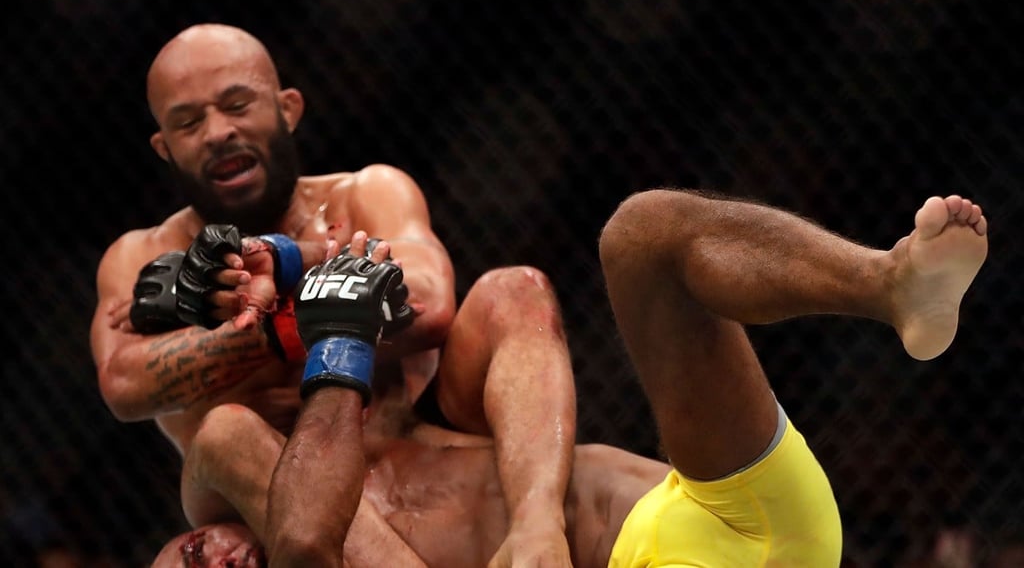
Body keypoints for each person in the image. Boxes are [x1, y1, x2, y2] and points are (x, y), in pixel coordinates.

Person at [151, 190, 988, 567]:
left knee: (643, 236)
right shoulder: (273, 483)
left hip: (731, 510)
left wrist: (294, 277)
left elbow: (454, 296)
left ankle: (890, 284)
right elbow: (301, 541)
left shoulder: (405, 425)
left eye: (188, 564)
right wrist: (332, 340)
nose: (213, 565)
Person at [88, 23, 576, 566]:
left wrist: (278, 281)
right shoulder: (141, 255)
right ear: (164, 147)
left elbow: (432, 302)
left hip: (414, 443)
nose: (217, 132)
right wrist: (315, 305)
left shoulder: (368, 193)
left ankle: (537, 533)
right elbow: (124, 382)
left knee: (514, 289)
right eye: (188, 121)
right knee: (222, 441)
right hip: (265, 499)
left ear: (288, 109)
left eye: (236, 104)